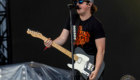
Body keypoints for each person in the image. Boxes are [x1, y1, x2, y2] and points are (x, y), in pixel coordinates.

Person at [44, 0, 105, 80]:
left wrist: (96, 70)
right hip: (76, 66)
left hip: (90, 66)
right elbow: (62, 38)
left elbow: (101, 49)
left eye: (80, 2)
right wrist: (51, 43)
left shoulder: (96, 24)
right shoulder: (72, 19)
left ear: (89, 4)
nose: (77, 4)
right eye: (76, 3)